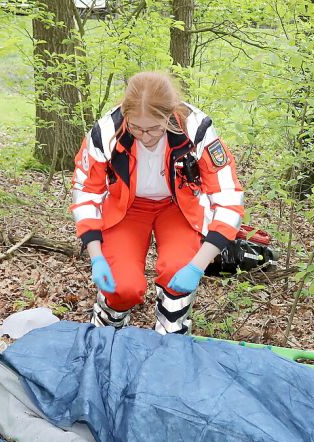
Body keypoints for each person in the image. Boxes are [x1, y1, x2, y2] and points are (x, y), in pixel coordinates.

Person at [70, 71, 244, 335]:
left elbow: (228, 196)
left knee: (177, 273)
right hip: (126, 208)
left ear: (169, 116)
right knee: (120, 285)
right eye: (136, 128)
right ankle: (107, 332)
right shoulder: (106, 131)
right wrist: (96, 257)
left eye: (154, 128)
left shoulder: (196, 129)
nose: (145, 136)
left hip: (178, 207)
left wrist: (198, 265)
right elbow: (86, 191)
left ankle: (171, 334)